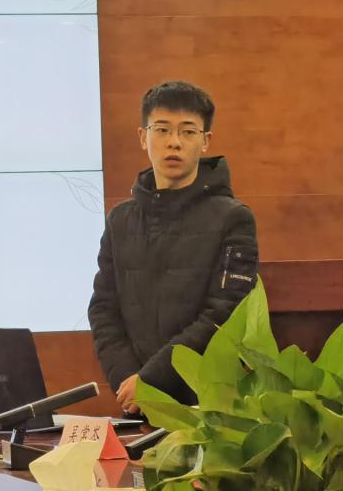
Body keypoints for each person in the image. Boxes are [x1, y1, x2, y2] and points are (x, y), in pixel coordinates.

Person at [88, 80, 258, 412]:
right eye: (162, 129)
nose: (174, 142)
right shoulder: (120, 220)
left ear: (206, 141)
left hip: (206, 405)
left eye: (188, 132)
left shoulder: (233, 219)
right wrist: (130, 381)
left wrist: (151, 380)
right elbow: (103, 309)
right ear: (143, 137)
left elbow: (225, 312)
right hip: (137, 402)